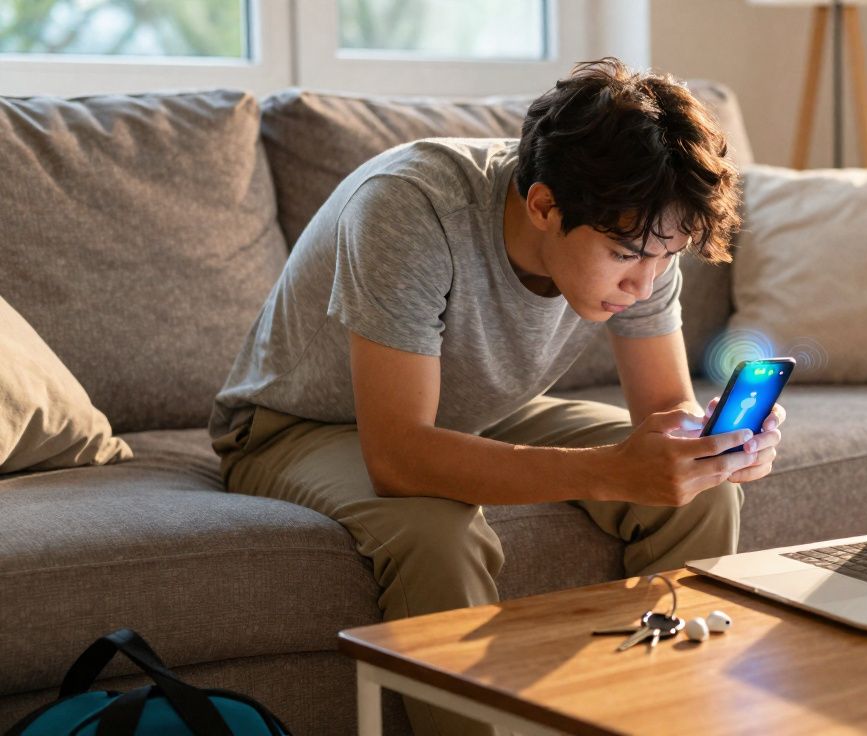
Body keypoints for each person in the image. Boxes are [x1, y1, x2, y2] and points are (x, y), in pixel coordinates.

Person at [209, 57, 786, 735]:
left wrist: (714, 448)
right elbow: (399, 458)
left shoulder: (644, 230)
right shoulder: (410, 206)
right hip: (298, 425)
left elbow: (663, 414)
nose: (645, 281)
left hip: (481, 412)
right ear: (543, 205)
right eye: (627, 255)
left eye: (668, 256)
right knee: (436, 532)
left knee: (703, 490)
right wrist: (610, 469)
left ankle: (657, 717)